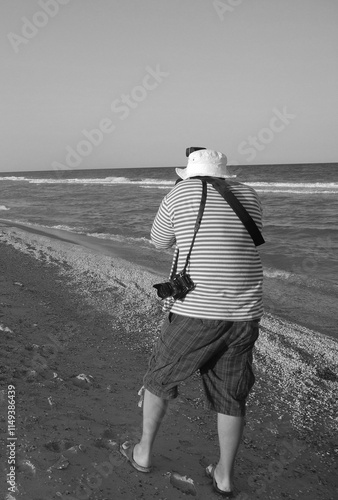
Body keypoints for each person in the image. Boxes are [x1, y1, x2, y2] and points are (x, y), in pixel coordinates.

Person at [120, 148, 263, 497]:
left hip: (198, 310)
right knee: (231, 395)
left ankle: (142, 453)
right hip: (245, 312)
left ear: (188, 172)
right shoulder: (250, 194)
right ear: (224, 173)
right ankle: (224, 477)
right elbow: (245, 237)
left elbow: (158, 241)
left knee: (158, 378)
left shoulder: (179, 192)